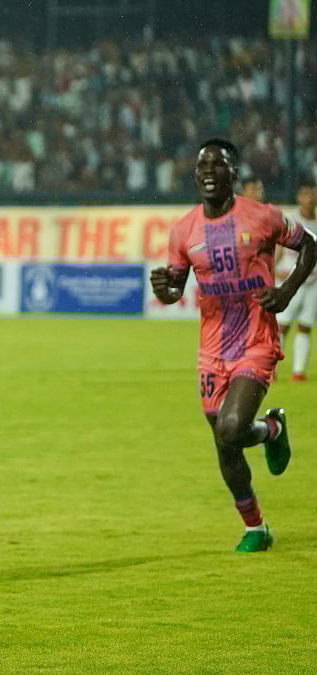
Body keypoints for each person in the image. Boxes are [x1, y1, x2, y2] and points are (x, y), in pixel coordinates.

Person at [150, 138, 316, 553]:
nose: (208, 172)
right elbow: (176, 289)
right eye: (202, 166)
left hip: (256, 339)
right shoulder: (184, 230)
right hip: (212, 348)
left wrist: (287, 291)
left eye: (218, 164)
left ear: (234, 173)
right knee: (225, 443)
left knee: (231, 427)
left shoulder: (261, 216)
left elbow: (309, 245)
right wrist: (165, 289)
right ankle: (255, 527)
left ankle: (272, 429)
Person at [275, 179, 317, 381]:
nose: (310, 198)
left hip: (313, 283)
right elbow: (278, 249)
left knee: (305, 326)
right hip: (291, 280)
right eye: (306, 194)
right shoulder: (291, 221)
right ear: (299, 197)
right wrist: (274, 270)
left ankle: (299, 372)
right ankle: (271, 369)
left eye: (313, 193)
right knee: (281, 326)